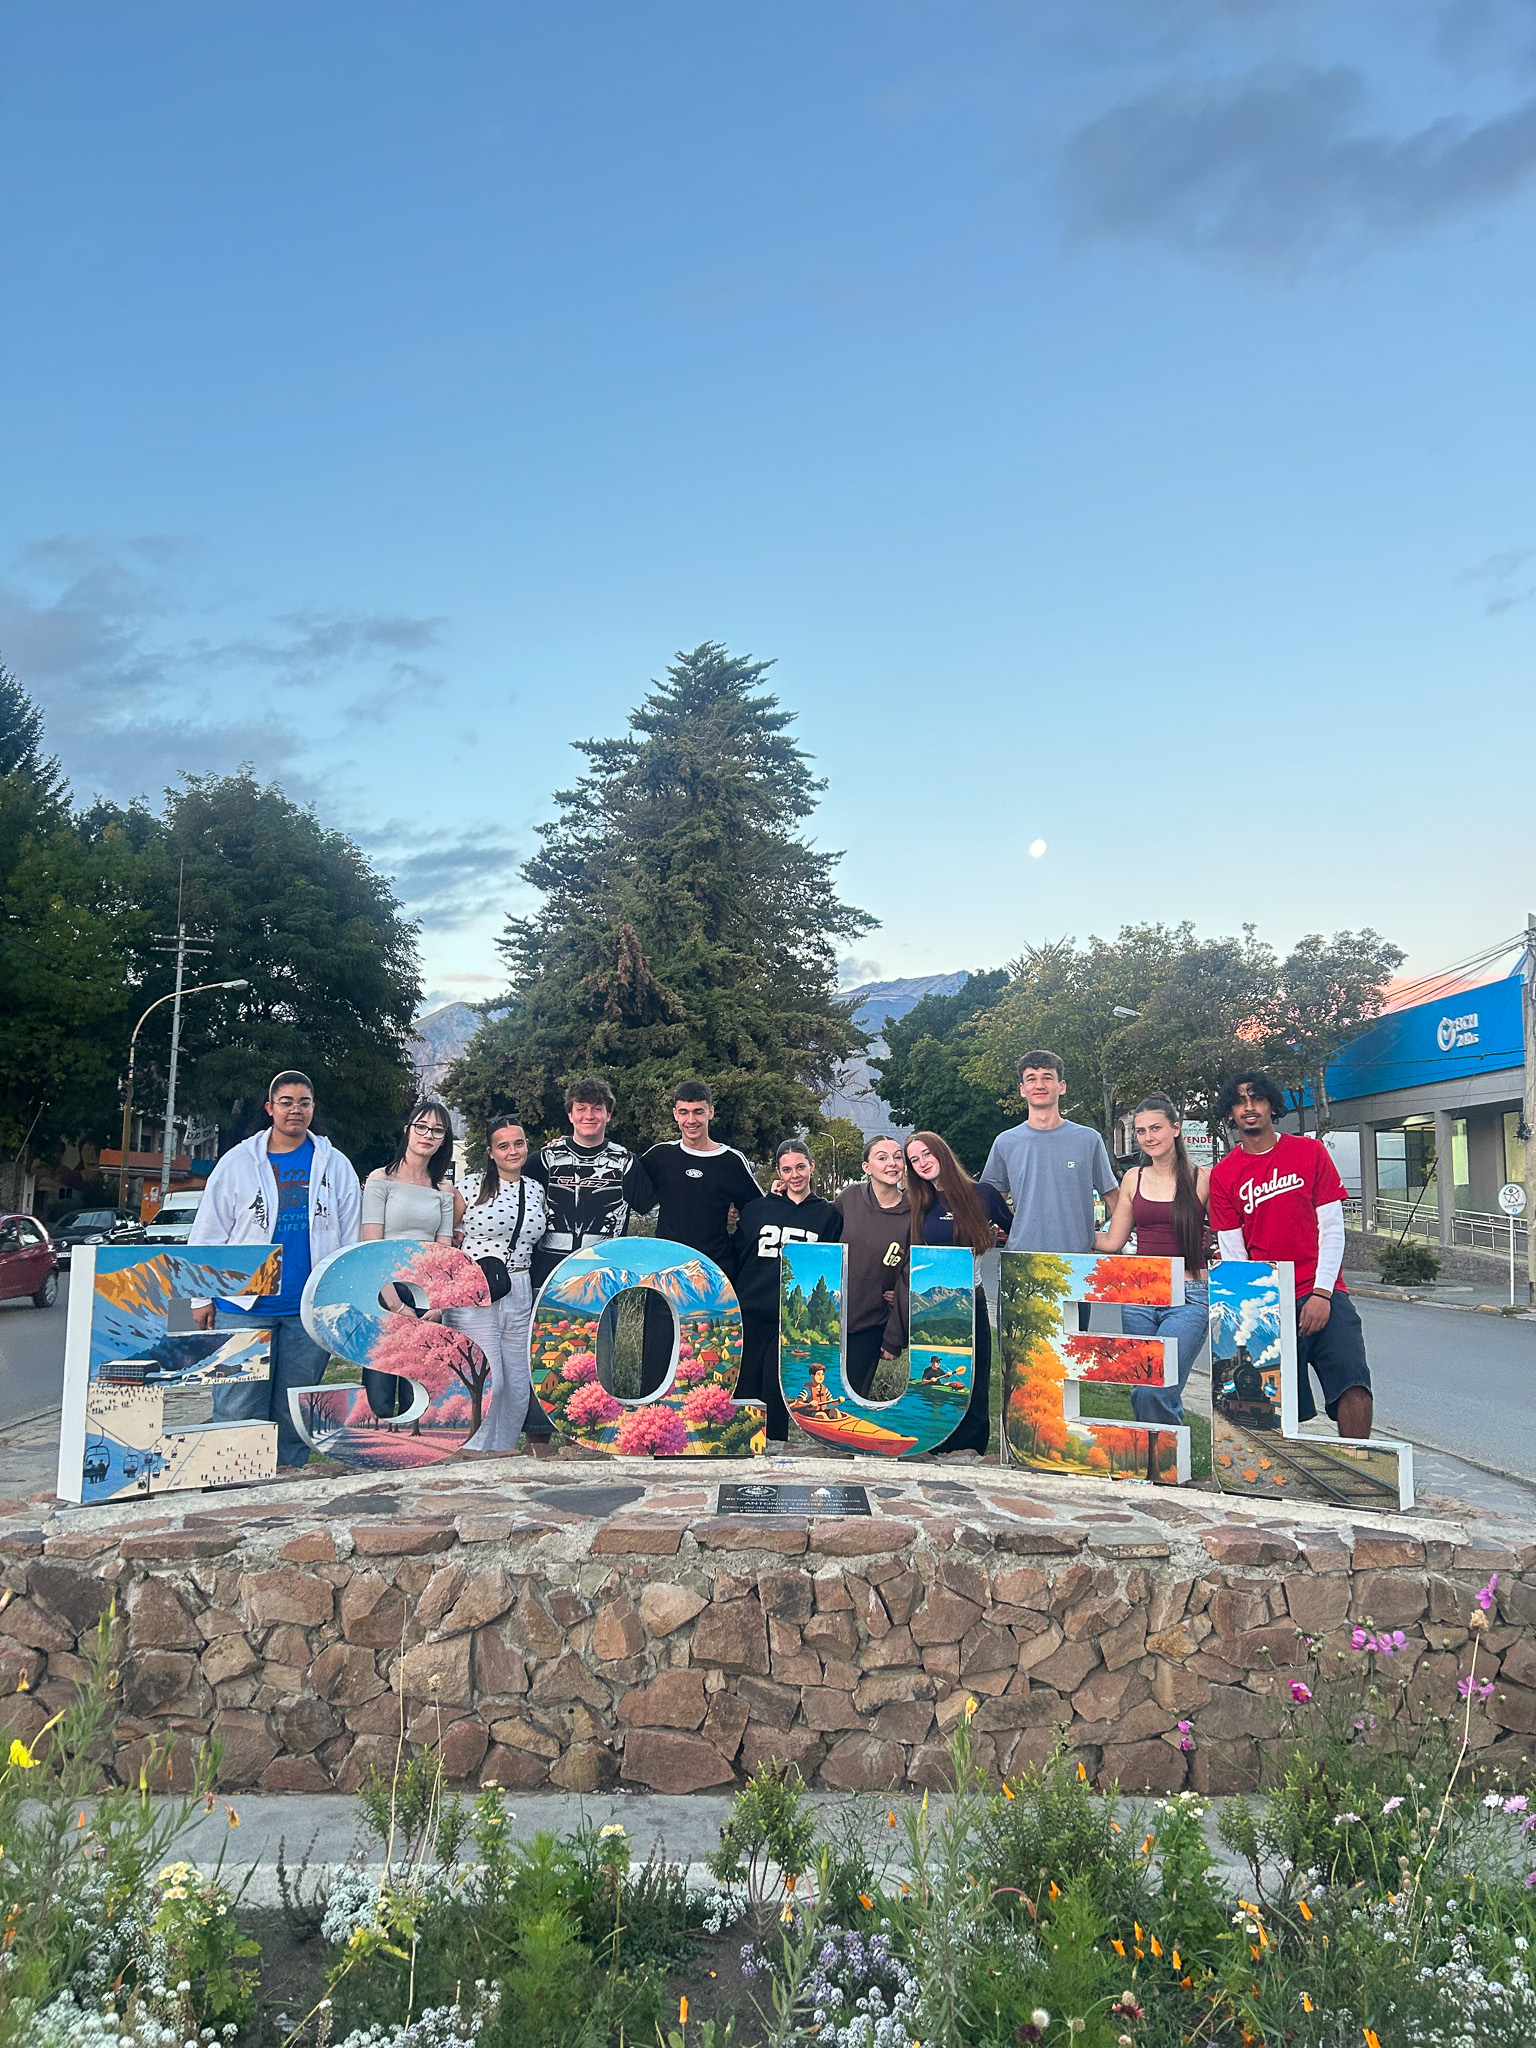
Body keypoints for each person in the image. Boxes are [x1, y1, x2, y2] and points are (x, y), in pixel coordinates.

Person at [189, 1071, 361, 1470]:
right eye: (286, 1102)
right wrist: (199, 1297)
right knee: (237, 1403)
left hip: (307, 1307)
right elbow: (209, 1231)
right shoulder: (238, 1162)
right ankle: (232, 1484)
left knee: (295, 1407)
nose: (295, 1110)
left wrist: (343, 1296)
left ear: (312, 1109)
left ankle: (286, 1484)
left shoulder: (333, 1165)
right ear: (270, 1108)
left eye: (303, 1102)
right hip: (244, 1304)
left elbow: (350, 1235)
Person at [1208, 1070, 1373, 1440]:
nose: (1249, 1107)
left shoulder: (1309, 1152)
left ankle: (1359, 1467)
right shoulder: (1224, 1175)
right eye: (1239, 1101)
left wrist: (1322, 1293)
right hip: (1268, 1300)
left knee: (1354, 1383)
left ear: (1271, 1105)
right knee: (1269, 1401)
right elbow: (1235, 1253)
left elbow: (1331, 1229)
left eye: (1257, 1098)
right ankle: (1274, 1483)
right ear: (1230, 1113)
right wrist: (1257, 1309)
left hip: (1323, 1292)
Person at [623, 1080, 762, 1396]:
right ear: (675, 1114)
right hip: (664, 1277)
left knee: (708, 1358)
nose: (691, 1120)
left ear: (711, 1112)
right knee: (658, 1355)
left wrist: (780, 1195)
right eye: (684, 1112)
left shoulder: (731, 1161)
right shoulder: (660, 1156)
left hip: (713, 1277)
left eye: (698, 1112)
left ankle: (706, 1429)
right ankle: (657, 1432)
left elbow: (758, 1212)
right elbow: (624, 1179)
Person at [981, 1051, 1119, 1334]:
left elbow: (1114, 1196)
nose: (1039, 1084)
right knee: (1020, 1365)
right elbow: (986, 1203)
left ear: (1062, 1086)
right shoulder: (1006, 1142)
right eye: (1031, 1078)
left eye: (1047, 1077)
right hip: (1021, 1263)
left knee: (1070, 1364)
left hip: (1076, 1264)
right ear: (1022, 1089)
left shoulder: (1088, 1140)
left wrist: (1117, 1239)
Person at [1095, 1093, 1211, 1428]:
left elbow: (1225, 1235)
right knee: (1142, 1386)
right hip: (1139, 1296)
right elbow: (1114, 1240)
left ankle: (1164, 1464)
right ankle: (1157, 1468)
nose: (1149, 1137)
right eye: (1142, 1131)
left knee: (1158, 1386)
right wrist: (1067, 1231)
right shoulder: (1133, 1178)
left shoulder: (1202, 1178)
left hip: (1189, 1296)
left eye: (1156, 1128)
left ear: (1175, 1129)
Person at [904, 1130, 1011, 1454]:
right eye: (914, 1160)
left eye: (926, 1154)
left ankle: (972, 1451)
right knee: (936, 1383)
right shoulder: (919, 1203)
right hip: (932, 1306)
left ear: (942, 1153)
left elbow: (1020, 1230)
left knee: (976, 1384)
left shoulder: (983, 1195)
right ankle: (936, 1444)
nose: (922, 1163)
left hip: (974, 1302)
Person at [733, 1139, 842, 1448]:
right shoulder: (757, 1209)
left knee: (777, 1389)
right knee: (745, 1383)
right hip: (752, 1310)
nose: (795, 1175)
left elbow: (829, 1268)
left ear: (811, 1167)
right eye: (787, 1169)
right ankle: (741, 1447)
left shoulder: (827, 1216)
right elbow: (740, 1253)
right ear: (778, 1172)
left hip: (791, 1317)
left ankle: (775, 1450)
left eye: (800, 1167)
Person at [452, 1116, 549, 1455]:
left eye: (518, 1143)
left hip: (519, 1287)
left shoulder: (535, 1189)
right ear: (491, 1152)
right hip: (476, 1289)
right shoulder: (469, 1187)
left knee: (519, 1382)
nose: (512, 1151)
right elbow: (446, 1238)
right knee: (488, 1378)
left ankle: (503, 1451)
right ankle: (474, 1451)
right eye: (503, 1146)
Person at [359, 1100, 462, 1414]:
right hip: (386, 1293)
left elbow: (443, 1252)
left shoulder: (443, 1190)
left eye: (437, 1131)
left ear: (444, 1140)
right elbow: (370, 1247)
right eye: (421, 1127)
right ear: (407, 1131)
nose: (428, 1135)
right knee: (379, 1389)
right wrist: (394, 1304)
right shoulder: (381, 1180)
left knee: (418, 1388)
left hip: (425, 1296)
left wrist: (440, 1304)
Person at [833, 1134, 909, 1398]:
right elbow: (818, 1228)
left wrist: (894, 1337)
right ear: (866, 1167)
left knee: (854, 1397)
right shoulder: (850, 1198)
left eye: (897, 1157)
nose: (892, 1163)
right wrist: (784, 1194)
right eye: (882, 1157)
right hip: (833, 1319)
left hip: (872, 1324)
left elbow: (909, 1277)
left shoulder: (914, 1213)